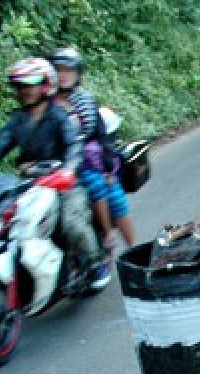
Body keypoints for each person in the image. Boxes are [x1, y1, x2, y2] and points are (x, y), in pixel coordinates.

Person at [0, 58, 106, 287]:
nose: (26, 90)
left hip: (63, 184)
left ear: (46, 85)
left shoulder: (59, 115)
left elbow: (74, 145)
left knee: (72, 224)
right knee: (7, 223)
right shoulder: (18, 120)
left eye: (31, 84)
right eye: (21, 86)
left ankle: (94, 265)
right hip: (31, 184)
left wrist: (68, 170)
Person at [51, 46, 136, 260]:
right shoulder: (45, 104)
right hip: (55, 166)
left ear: (77, 73)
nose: (63, 75)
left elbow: (102, 137)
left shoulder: (86, 102)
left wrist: (108, 169)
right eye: (58, 70)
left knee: (113, 195)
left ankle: (133, 251)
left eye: (68, 70)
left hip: (90, 163)